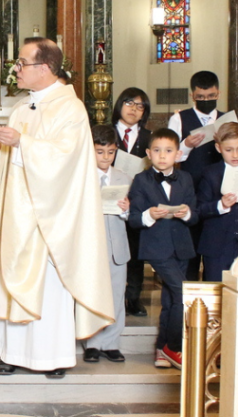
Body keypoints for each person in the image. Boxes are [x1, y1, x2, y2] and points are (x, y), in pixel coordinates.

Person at [0, 38, 114, 379]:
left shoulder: (71, 108)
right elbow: (12, 160)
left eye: (22, 63)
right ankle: (10, 352)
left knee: (49, 285)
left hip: (51, 215)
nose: (16, 69)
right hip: (17, 212)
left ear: (46, 68)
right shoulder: (22, 108)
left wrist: (20, 143)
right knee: (13, 273)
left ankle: (52, 357)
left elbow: (66, 159)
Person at [127, 128, 199, 369]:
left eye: (168, 151)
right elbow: (134, 218)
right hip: (157, 248)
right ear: (148, 153)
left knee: (171, 300)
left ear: (178, 154)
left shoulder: (186, 178)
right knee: (183, 294)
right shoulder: (141, 180)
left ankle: (161, 348)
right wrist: (150, 214)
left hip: (182, 247)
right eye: (157, 150)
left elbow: (195, 215)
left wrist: (186, 212)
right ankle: (173, 347)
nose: (162, 155)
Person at [168, 71, 224, 280]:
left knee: (214, 248)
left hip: (218, 192)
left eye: (211, 97)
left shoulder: (225, 119)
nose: (206, 101)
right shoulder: (179, 118)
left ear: (218, 93)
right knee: (190, 248)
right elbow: (168, 156)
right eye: (201, 97)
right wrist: (186, 145)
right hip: (189, 190)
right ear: (193, 96)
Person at [83, 124, 131, 364]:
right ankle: (92, 342)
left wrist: (126, 210)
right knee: (91, 294)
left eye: (110, 152)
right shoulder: (82, 177)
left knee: (115, 294)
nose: (105, 157)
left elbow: (133, 215)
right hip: (90, 244)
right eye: (100, 152)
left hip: (117, 246)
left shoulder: (123, 177)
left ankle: (111, 342)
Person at [196, 123, 238, 284]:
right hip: (216, 246)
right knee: (216, 291)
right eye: (229, 150)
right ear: (219, 148)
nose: (235, 155)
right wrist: (221, 205)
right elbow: (199, 209)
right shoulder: (210, 173)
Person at [112, 87, 152, 317]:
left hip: (137, 200)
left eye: (140, 106)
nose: (133, 109)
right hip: (109, 199)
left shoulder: (149, 138)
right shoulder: (105, 133)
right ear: (120, 105)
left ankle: (133, 298)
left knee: (136, 251)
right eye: (129, 103)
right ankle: (110, 297)